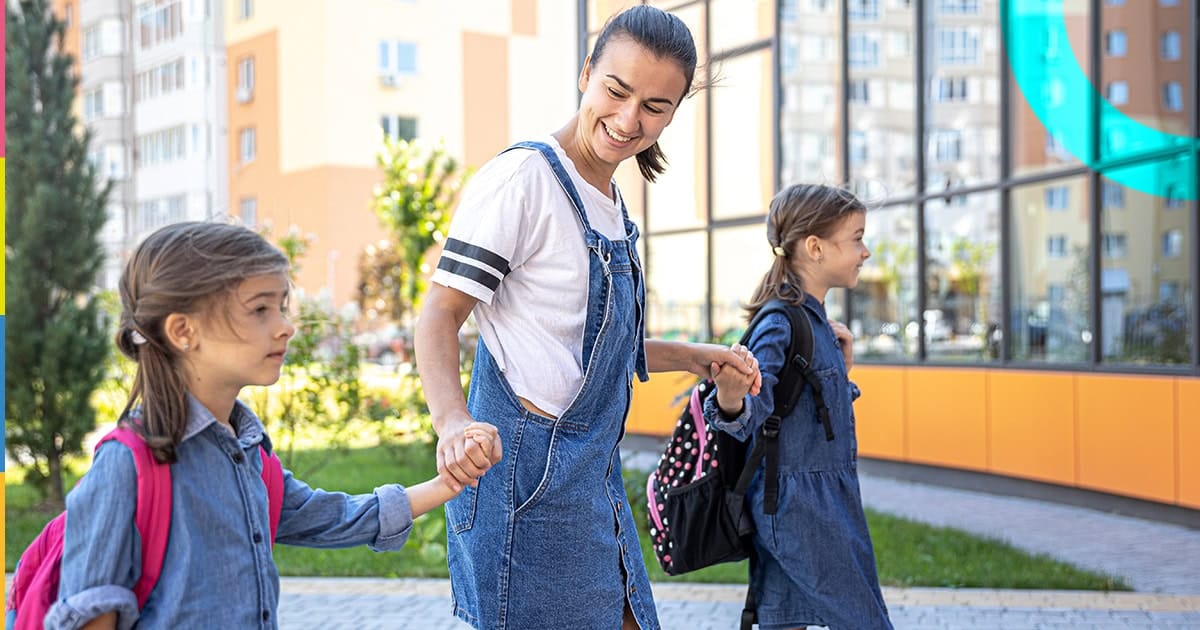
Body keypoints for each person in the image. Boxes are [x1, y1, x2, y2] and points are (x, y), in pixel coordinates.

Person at [414, 6, 760, 629]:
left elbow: (588, 346)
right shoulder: (524, 179)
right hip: (524, 485)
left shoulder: (609, 201)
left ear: (673, 113)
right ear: (585, 73)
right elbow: (440, 314)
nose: (628, 120)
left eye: (654, 106)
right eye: (616, 91)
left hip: (592, 479)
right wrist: (452, 422)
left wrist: (695, 357)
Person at [47, 221, 500, 629]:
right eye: (260, 309)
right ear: (183, 331)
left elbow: (331, 517)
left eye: (281, 307)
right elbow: (89, 613)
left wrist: (447, 483)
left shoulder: (246, 454)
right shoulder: (126, 467)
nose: (286, 327)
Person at [706, 184, 893, 630]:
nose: (865, 251)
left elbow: (807, 414)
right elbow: (745, 413)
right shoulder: (780, 323)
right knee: (865, 621)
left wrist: (840, 371)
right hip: (799, 509)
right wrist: (730, 397)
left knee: (782, 622)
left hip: (808, 501)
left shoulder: (813, 321)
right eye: (856, 238)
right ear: (815, 247)